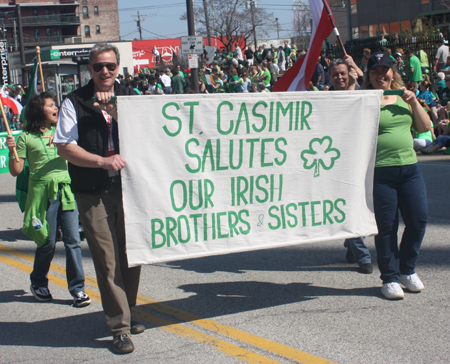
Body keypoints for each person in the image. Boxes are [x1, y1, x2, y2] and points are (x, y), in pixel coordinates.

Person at [54, 43, 144, 354]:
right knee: (107, 260)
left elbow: (146, 135)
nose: (104, 72)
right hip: (92, 191)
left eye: (109, 66)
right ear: (89, 69)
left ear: (118, 68)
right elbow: (64, 146)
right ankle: (119, 327)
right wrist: (101, 161)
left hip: (130, 188)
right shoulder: (74, 101)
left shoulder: (130, 98)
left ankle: (128, 311)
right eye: (97, 67)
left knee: (132, 255)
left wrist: (115, 111)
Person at [6, 92, 91, 307]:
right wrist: (11, 150)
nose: (57, 107)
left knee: (73, 241)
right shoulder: (26, 137)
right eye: (51, 105)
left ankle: (78, 289)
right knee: (47, 243)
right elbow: (16, 171)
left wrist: (62, 140)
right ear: (38, 110)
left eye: (56, 104)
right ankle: (38, 282)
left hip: (66, 191)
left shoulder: (63, 131)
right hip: (42, 195)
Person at [363, 52, 430, 300]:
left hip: (410, 169)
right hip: (380, 172)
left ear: (393, 72)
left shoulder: (405, 96)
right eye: (375, 71)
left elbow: (424, 127)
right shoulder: (365, 99)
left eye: (385, 70)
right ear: (368, 76)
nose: (381, 75)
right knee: (387, 227)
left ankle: (407, 271)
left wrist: (414, 102)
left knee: (418, 220)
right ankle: (389, 278)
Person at [328, 58, 373, 274]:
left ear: (350, 74)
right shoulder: (324, 99)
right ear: (330, 77)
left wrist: (356, 67)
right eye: (335, 74)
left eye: (343, 73)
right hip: (335, 163)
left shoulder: (362, 93)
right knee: (348, 205)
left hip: (361, 159)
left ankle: (351, 244)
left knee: (357, 204)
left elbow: (377, 90)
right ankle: (363, 256)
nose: (340, 77)